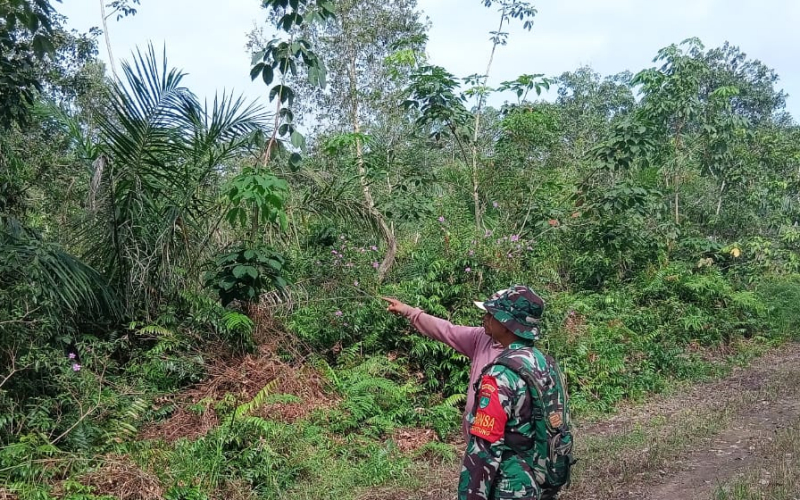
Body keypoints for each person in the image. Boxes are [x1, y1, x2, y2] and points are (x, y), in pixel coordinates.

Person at [382, 292, 507, 442]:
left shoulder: (523, 359)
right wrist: (408, 311)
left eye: (490, 315)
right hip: (475, 443)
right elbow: (447, 330)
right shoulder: (482, 338)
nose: (485, 318)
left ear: (505, 322)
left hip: (501, 450)